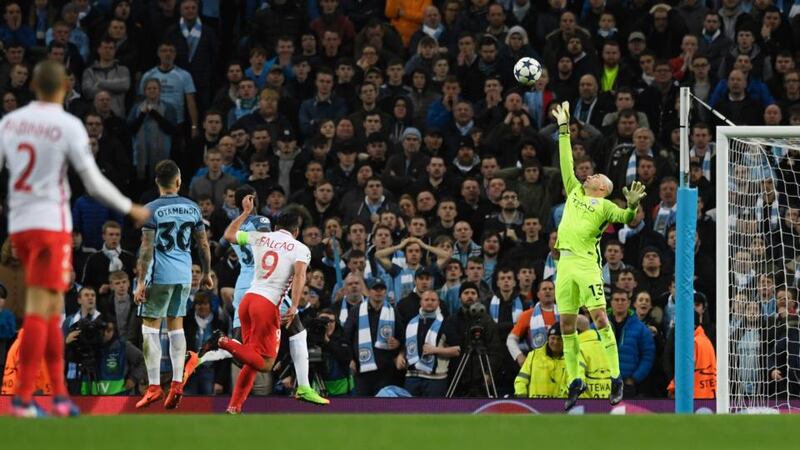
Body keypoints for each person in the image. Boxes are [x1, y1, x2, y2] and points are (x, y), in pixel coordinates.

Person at [0, 60, 149, 418]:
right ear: (64, 88)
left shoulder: (9, 123)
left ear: (34, 86)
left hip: (21, 226)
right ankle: (24, 396)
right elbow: (94, 182)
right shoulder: (67, 125)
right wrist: (130, 207)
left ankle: (56, 396)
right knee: (44, 307)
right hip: (50, 223)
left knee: (52, 310)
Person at [184, 185, 328, 405]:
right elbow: (296, 273)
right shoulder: (263, 224)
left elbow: (222, 245)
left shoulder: (248, 229)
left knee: (244, 350)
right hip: (266, 288)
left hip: (245, 287)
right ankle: (304, 386)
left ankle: (202, 359)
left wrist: (242, 214)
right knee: (296, 332)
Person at [550, 101, 647, 410]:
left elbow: (626, 218)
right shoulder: (575, 191)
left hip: (586, 265)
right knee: (566, 325)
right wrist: (564, 129)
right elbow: (566, 161)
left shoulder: (604, 206)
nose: (588, 175)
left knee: (599, 318)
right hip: (563, 264)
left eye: (595, 176)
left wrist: (631, 206)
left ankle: (615, 377)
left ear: (603, 188)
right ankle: (575, 380)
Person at [212, 203, 312, 414]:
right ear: (296, 231)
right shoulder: (300, 248)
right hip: (267, 306)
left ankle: (234, 406)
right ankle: (222, 341)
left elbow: (229, 234)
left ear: (276, 227)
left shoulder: (260, 237)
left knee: (251, 357)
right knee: (265, 364)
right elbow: (301, 276)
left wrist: (246, 213)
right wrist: (294, 306)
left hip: (247, 300)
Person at [133, 160, 212, 410]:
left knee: (150, 328)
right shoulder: (192, 208)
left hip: (160, 276)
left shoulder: (151, 209)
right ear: (178, 182)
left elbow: (146, 250)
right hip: (184, 275)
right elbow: (204, 245)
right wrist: (207, 273)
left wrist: (140, 282)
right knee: (177, 326)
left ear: (158, 182)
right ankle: (178, 383)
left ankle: (154, 386)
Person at [514, 323, 567, 398]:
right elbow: (521, 379)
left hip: (559, 406)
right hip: (535, 405)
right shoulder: (534, 355)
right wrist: (522, 396)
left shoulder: (570, 359)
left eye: (559, 339)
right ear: (548, 339)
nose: (555, 342)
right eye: (553, 338)